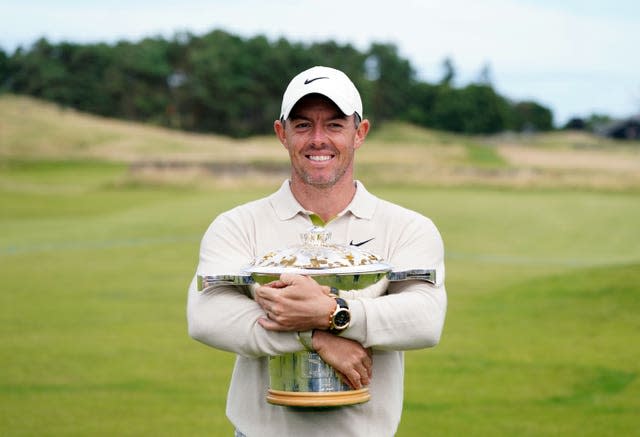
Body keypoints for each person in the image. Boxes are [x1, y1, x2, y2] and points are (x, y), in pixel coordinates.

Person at [187, 66, 447, 437]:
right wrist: (315, 338)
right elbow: (206, 316)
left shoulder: (408, 227)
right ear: (282, 134)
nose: (318, 139)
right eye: (304, 125)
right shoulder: (237, 225)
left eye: (335, 125)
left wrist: (333, 312)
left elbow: (424, 319)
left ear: (360, 133)